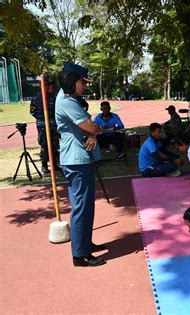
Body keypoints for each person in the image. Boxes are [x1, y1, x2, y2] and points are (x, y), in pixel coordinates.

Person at [55, 62, 106, 267]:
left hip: (80, 158)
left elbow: (90, 128)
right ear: (71, 80)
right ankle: (80, 255)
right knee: (81, 207)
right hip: (76, 160)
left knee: (86, 206)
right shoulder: (67, 101)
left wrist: (93, 132)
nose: (83, 86)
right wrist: (94, 130)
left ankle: (84, 244)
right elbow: (91, 125)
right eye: (81, 82)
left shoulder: (70, 98)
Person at [30, 76, 59, 174]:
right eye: (45, 85)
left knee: (54, 145)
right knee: (44, 145)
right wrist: (42, 118)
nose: (47, 87)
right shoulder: (36, 97)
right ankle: (44, 165)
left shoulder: (53, 97)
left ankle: (55, 164)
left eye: (48, 85)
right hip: (42, 125)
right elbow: (32, 111)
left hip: (53, 125)